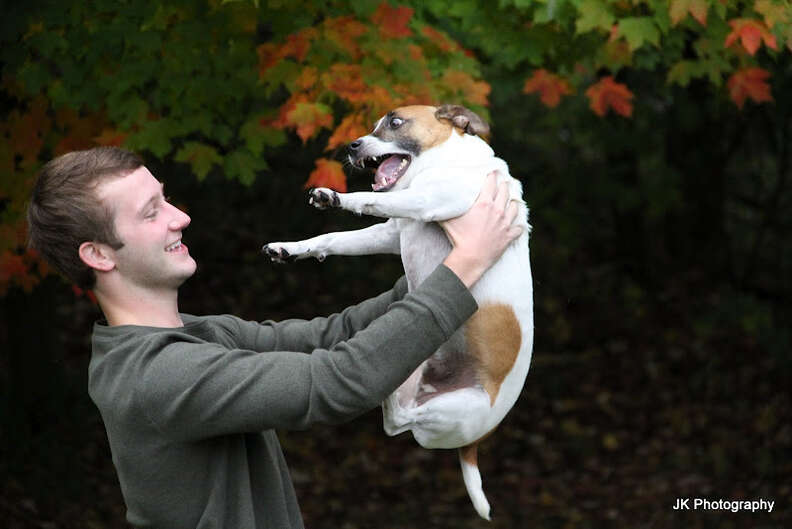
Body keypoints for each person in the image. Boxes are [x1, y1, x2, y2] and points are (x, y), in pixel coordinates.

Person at [26, 146, 522, 528]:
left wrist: (465, 255)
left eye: (166, 199)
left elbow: (339, 335)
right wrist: (465, 265)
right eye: (151, 212)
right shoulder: (157, 377)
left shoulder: (202, 335)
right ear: (98, 255)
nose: (181, 217)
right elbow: (339, 380)